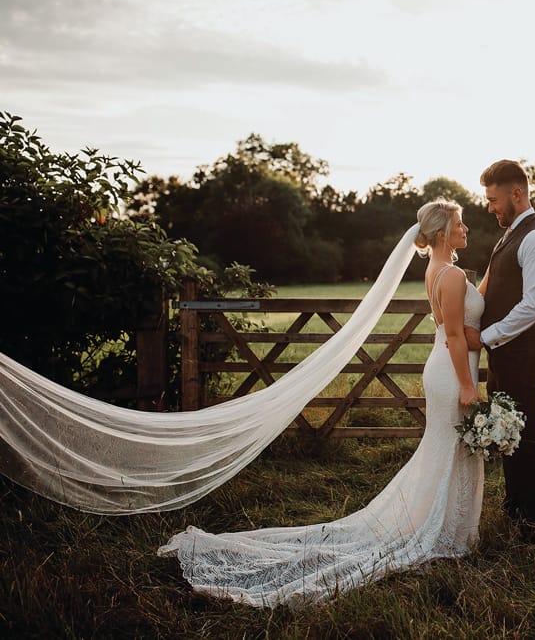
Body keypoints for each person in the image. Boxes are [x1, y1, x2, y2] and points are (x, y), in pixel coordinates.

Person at [157, 199, 486, 607]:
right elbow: (456, 335)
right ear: (442, 235)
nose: (466, 228)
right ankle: (443, 531)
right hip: (453, 374)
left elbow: (460, 318)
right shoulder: (452, 274)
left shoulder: (437, 270)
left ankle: (442, 526)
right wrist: (469, 386)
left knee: (443, 448)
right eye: (460, 224)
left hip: (440, 370)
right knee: (449, 446)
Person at [469, 159, 535, 543]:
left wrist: (485, 336)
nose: (490, 207)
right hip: (503, 353)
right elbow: (488, 290)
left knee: (528, 436)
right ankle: (514, 506)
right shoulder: (509, 236)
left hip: (522, 353)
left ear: (516, 194)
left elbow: (532, 306)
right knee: (507, 432)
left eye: (493, 200)